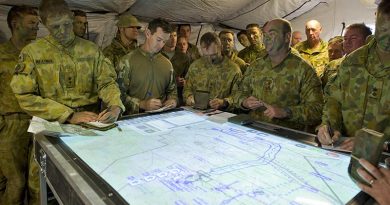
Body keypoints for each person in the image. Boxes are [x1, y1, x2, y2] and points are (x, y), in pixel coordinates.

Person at [11, 0, 124, 125]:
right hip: (53, 125)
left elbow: (107, 83)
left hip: (91, 122)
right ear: (44, 23)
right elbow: (24, 95)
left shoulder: (91, 50)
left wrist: (115, 106)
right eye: (55, 27)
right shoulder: (32, 53)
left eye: (66, 24)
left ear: (71, 17)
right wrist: (68, 115)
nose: (62, 31)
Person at [317, 0, 390, 151]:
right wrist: (329, 127)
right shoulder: (353, 61)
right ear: (376, 17)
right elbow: (334, 99)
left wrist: (383, 144)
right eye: (383, 29)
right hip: (342, 151)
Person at [237, 18, 323, 131]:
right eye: (264, 34)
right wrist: (244, 102)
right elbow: (239, 93)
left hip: (286, 136)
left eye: (272, 34)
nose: (266, 39)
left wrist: (285, 112)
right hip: (254, 130)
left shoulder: (304, 70)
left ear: (287, 37)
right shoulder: (255, 66)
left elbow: (317, 111)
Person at [0, 6, 39, 205]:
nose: (37, 28)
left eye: (38, 24)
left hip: (36, 124)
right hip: (11, 125)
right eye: (31, 23)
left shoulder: (36, 55)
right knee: (15, 183)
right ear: (15, 24)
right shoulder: (2, 54)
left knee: (37, 183)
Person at [117, 18, 177, 114]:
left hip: (160, 119)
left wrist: (173, 101)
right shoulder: (127, 61)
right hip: (133, 119)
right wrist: (141, 104)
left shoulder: (167, 64)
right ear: (148, 33)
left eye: (164, 42)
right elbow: (118, 95)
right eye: (159, 40)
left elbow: (172, 91)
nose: (161, 45)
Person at [184, 32, 241, 111]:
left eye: (214, 55)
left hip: (221, 115)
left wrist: (224, 102)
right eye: (206, 56)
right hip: (197, 113)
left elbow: (239, 96)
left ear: (221, 47)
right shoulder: (195, 66)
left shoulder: (233, 70)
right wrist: (189, 97)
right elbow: (187, 89)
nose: (210, 59)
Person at [161, 25, 191, 106]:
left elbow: (189, 78)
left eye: (175, 35)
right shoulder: (157, 55)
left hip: (177, 98)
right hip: (159, 98)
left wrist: (184, 82)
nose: (173, 38)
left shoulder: (184, 57)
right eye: (170, 36)